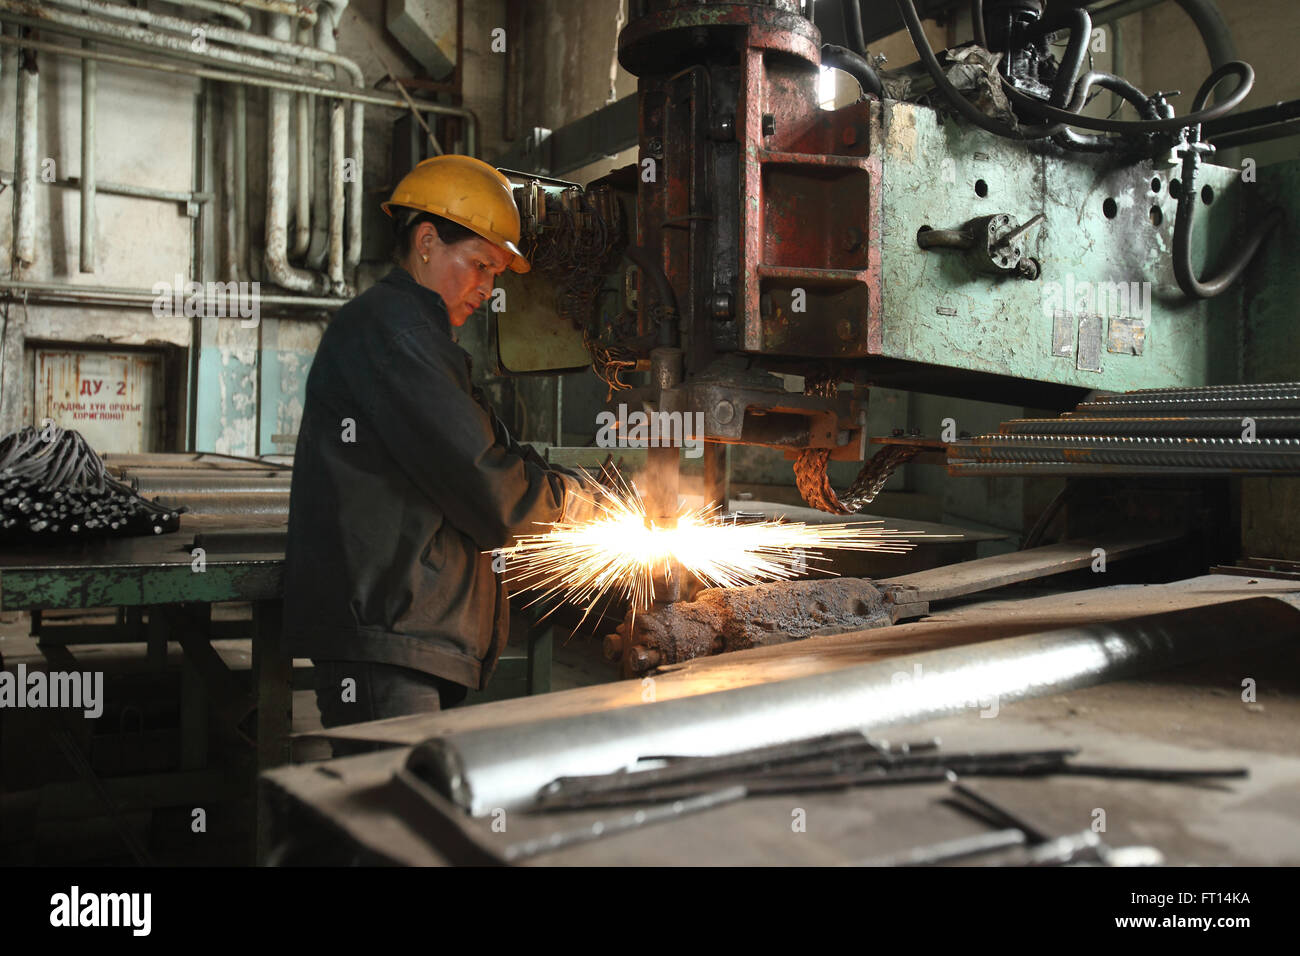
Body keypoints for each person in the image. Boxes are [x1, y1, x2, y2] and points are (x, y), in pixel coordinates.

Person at [283, 156, 597, 751]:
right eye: (479, 264)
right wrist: (582, 505)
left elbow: (487, 448)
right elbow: (490, 490)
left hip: (406, 625)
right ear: (426, 242)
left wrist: (569, 485)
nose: (488, 287)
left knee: (409, 819)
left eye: (497, 273)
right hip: (387, 628)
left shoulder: (418, 337)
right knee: (395, 824)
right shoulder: (398, 336)